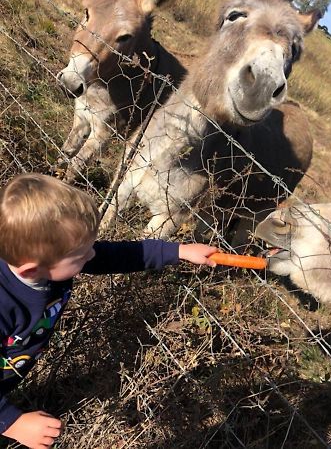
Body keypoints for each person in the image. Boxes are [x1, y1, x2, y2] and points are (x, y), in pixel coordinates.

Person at [0, 173, 218, 449]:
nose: (92, 256)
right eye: (81, 255)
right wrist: (12, 422)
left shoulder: (49, 260)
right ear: (31, 269)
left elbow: (115, 255)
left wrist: (178, 252)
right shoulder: (4, 303)